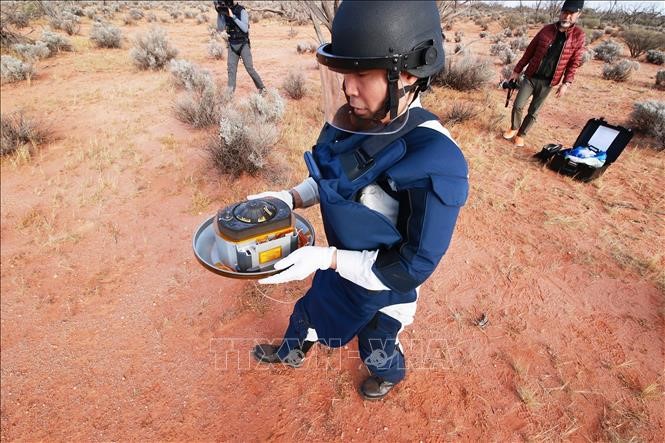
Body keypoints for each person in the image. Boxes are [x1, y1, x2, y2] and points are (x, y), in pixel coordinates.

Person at [246, 1, 469, 400]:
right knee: (309, 310)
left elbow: (409, 267)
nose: (349, 88)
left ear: (406, 74)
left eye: (362, 74)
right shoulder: (355, 116)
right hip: (341, 263)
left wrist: (327, 258)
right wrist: (291, 197)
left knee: (377, 343)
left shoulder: (437, 160)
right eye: (344, 73)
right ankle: (292, 351)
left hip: (384, 285)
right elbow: (332, 179)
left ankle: (389, 375)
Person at [503, 0, 586, 148]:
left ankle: (521, 135)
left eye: (571, 14)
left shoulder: (578, 36)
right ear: (561, 12)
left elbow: (574, 62)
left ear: (578, 15)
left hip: (549, 82)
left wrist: (566, 83)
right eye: (565, 12)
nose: (567, 17)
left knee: (534, 111)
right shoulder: (546, 30)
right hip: (531, 76)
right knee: (518, 105)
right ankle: (514, 127)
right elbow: (530, 51)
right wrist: (517, 70)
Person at [214, 0, 265, 95]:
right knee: (231, 70)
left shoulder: (241, 10)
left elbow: (245, 29)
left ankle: (262, 88)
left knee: (250, 68)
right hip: (232, 45)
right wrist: (219, 13)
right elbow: (220, 28)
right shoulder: (225, 12)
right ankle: (229, 94)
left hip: (243, 44)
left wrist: (232, 16)